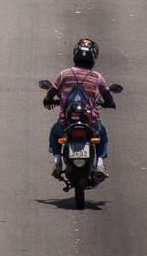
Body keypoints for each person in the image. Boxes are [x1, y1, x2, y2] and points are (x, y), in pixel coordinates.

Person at [44, 38, 115, 179]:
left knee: (54, 132)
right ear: (94, 56)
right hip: (91, 123)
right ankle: (100, 162)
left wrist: (48, 100)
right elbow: (108, 96)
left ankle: (57, 161)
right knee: (102, 135)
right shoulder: (97, 77)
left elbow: (52, 92)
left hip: (66, 123)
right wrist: (110, 103)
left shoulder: (65, 74)